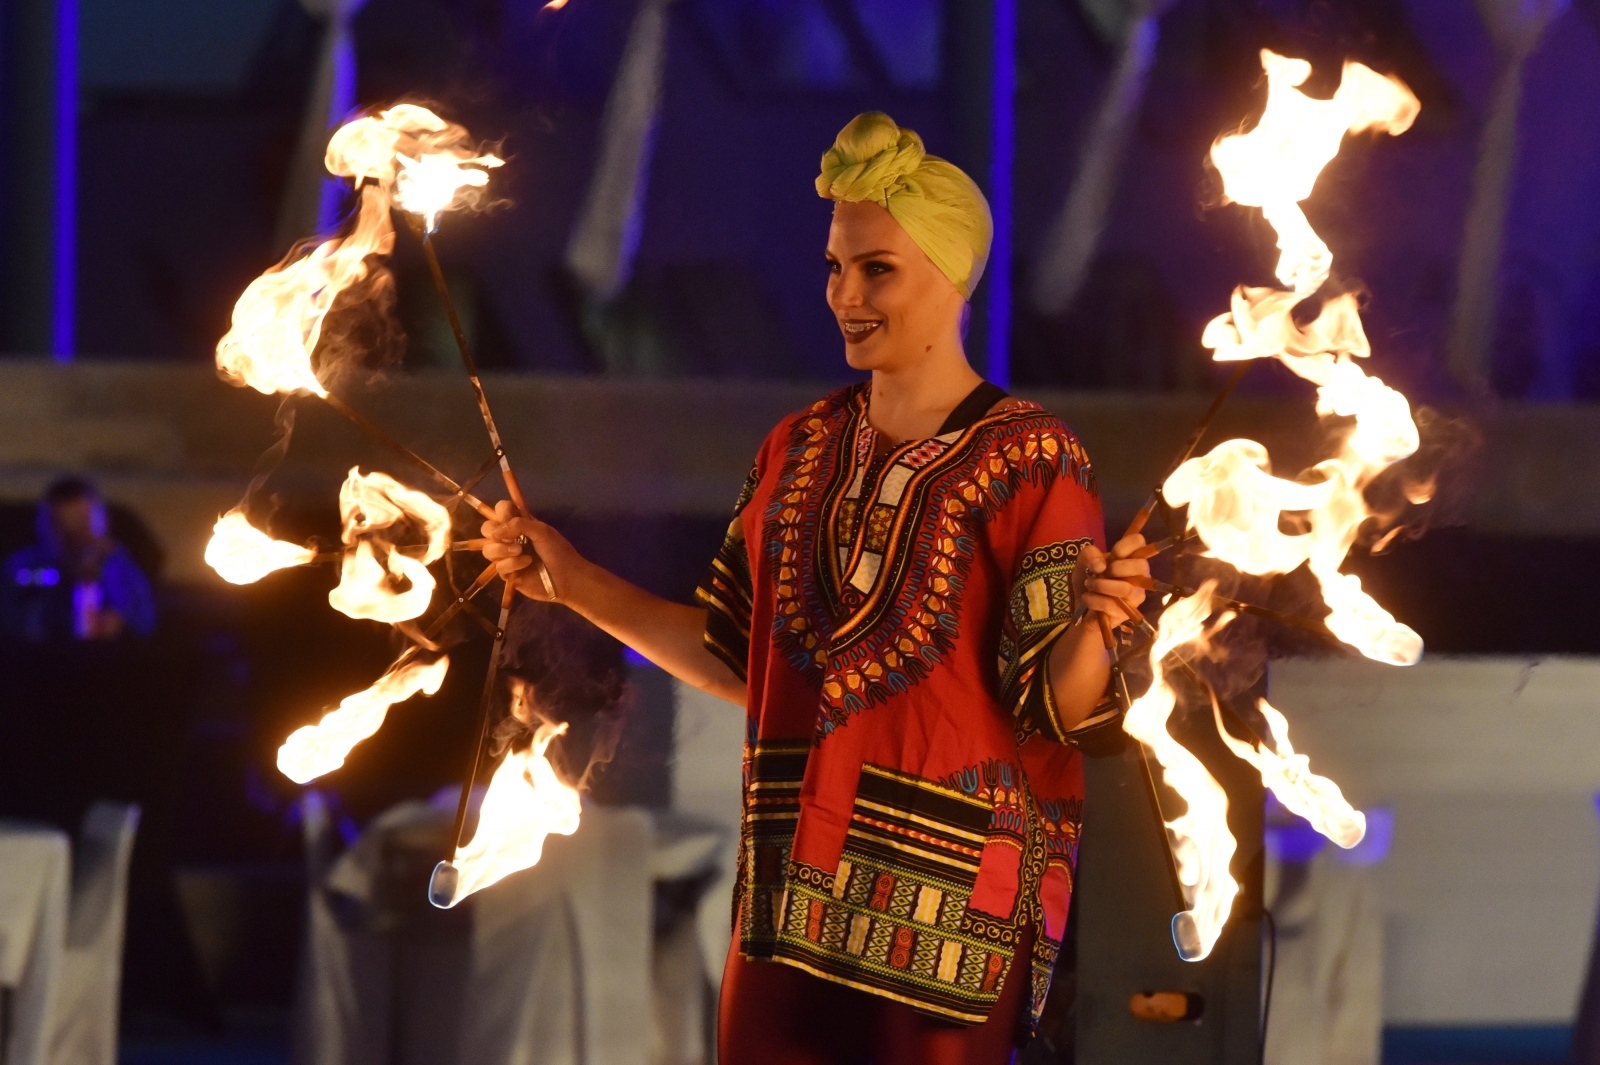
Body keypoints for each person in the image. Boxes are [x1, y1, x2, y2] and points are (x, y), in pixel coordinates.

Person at [480, 112, 1150, 1065]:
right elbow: (733, 654)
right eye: (836, 267)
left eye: (878, 269)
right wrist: (572, 579)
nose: (846, 294)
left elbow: (1056, 704)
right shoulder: (794, 449)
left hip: (948, 912)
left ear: (952, 276)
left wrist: (1101, 624)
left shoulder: (1032, 458)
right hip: (787, 899)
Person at [1, 476, 156, 641]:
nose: (77, 540)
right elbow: (16, 624)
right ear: (46, 527)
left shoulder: (117, 564)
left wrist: (120, 617)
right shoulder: (24, 567)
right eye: (64, 528)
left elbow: (146, 623)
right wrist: (64, 576)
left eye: (84, 526)